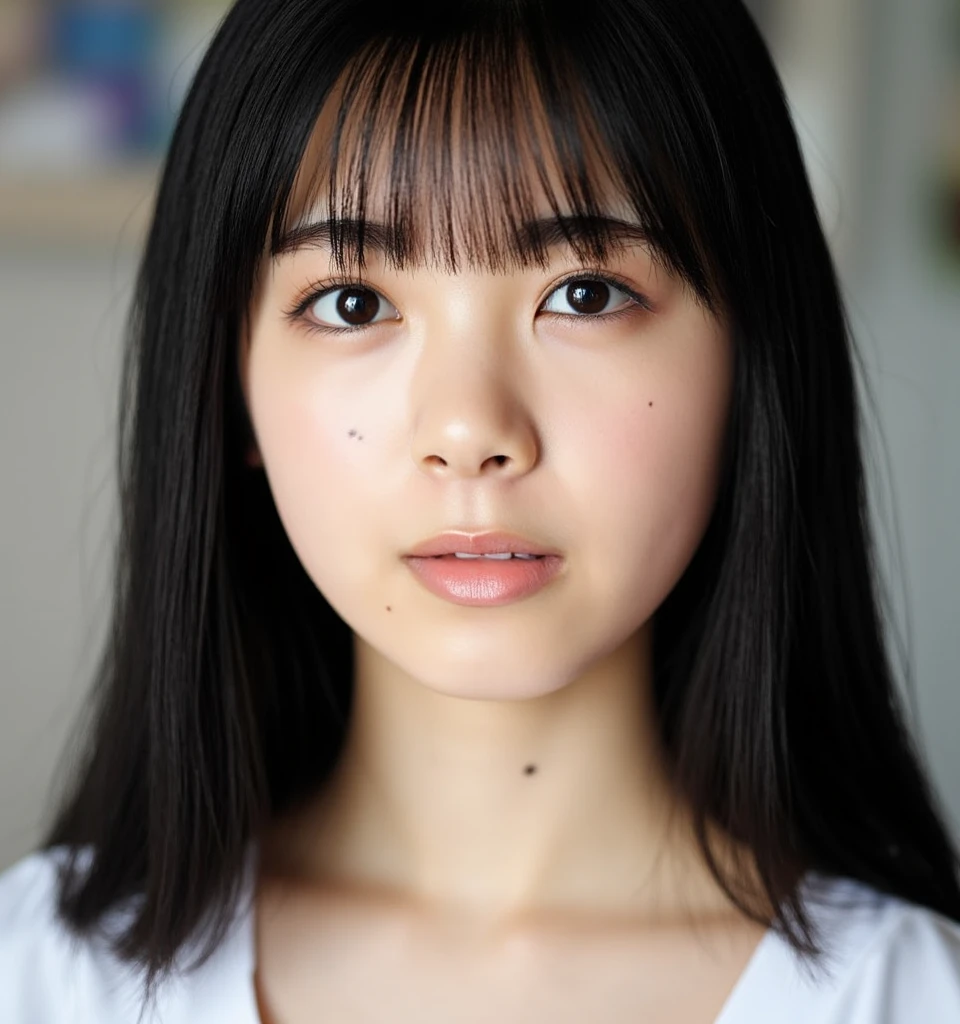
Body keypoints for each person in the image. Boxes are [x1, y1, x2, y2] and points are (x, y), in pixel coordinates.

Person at [2, 0, 959, 1020]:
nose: (468, 428)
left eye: (586, 293)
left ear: (751, 365)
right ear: (228, 380)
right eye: (353, 303)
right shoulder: (45, 978)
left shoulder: (914, 995)